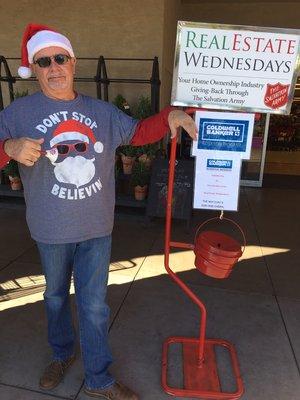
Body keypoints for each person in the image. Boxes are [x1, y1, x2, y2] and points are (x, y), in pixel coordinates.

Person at [0, 23, 197, 400]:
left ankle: (99, 379)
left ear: (73, 63)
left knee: (93, 306)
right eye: (44, 62)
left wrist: (170, 116)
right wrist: (8, 146)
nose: (54, 67)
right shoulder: (18, 113)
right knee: (55, 297)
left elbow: (139, 132)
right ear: (34, 68)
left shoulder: (100, 111)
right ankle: (61, 354)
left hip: (96, 228)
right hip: (50, 229)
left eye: (60, 58)